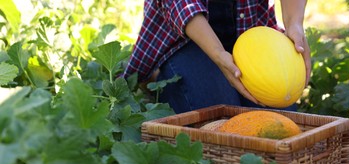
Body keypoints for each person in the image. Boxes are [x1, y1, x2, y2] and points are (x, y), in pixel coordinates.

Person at [122, 0, 311, 114]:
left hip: (251, 30)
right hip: (185, 39)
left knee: (278, 119)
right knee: (220, 116)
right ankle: (159, 75)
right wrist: (219, 54)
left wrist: (295, 23)